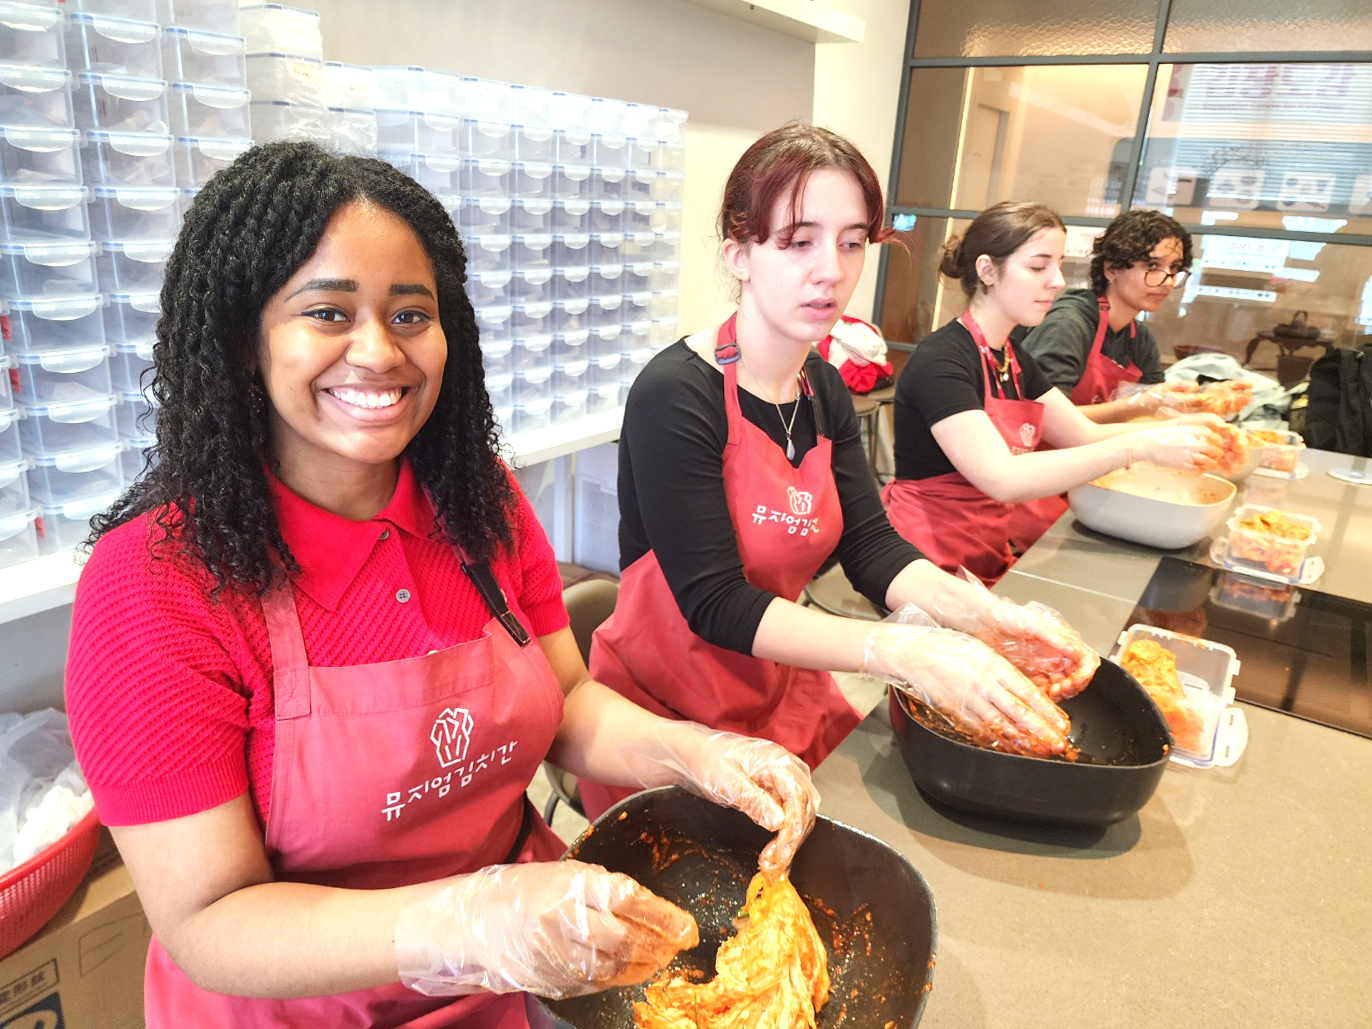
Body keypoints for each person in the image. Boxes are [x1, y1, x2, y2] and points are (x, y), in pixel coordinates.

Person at [62, 142, 822, 1029]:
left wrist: (695, 753)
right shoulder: (154, 585)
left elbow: (568, 700)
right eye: (328, 313)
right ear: (243, 338)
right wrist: (467, 918)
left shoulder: (477, 500)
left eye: (410, 313)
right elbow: (207, 919)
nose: (379, 351)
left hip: (526, 984)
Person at [578, 125, 1103, 822]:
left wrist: (981, 616)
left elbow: (870, 548)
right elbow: (714, 602)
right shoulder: (677, 392)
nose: (831, 267)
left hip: (775, 684)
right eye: (798, 240)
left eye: (852, 241)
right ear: (739, 253)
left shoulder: (821, 387)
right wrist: (899, 650)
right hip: (669, 719)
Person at [884, 201, 1224, 585]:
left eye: (1058, 264)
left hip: (987, 551)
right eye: (1037, 266)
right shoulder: (942, 361)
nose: (1058, 280)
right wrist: (1140, 447)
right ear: (987, 271)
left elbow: (1081, 433)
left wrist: (1181, 426)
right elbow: (1003, 477)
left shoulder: (1014, 358)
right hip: (926, 566)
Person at [1017, 208, 1202, 421]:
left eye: (1174, 268)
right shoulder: (1068, 324)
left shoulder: (1140, 339)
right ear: (1111, 269)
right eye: (1152, 266)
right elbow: (1045, 417)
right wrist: (1138, 404)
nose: (1167, 280)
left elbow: (1155, 412)